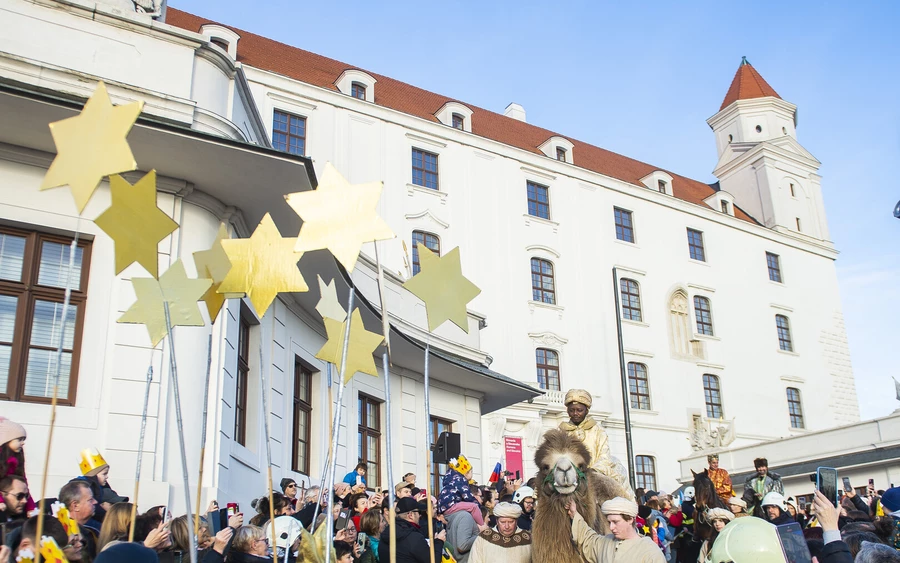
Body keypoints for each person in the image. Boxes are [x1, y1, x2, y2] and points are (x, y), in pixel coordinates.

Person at [559, 389, 633, 498]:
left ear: (586, 411)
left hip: (594, 474)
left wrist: (591, 472)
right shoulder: (561, 431)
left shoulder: (598, 431)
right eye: (572, 410)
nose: (575, 414)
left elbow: (604, 456)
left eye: (579, 410)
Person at [567, 496, 665, 563]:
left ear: (630, 519)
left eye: (615, 522)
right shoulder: (605, 543)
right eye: (609, 522)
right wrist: (574, 514)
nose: (611, 527)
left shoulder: (650, 552)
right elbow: (587, 538)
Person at [378, 497, 445, 563]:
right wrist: (439, 541)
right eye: (419, 512)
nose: (420, 515)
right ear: (410, 515)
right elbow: (433, 560)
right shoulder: (414, 537)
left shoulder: (386, 533)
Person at [467, 502, 531, 563]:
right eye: (503, 522)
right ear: (497, 521)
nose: (507, 526)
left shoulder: (528, 539)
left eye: (511, 522)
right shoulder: (484, 538)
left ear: (516, 521)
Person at [0, 418, 35, 515]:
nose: (22, 443)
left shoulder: (17, 460)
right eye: (19, 439)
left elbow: (24, 486)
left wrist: (30, 507)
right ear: (6, 439)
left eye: (23, 439)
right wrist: (1, 501)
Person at [437, 455, 485, 526]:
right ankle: (482, 526)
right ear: (466, 472)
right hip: (451, 505)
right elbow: (467, 495)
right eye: (471, 472)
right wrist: (477, 504)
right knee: (474, 507)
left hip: (444, 507)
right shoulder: (460, 479)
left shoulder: (450, 479)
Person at [59, 479, 102, 557]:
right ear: (75, 506)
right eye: (90, 500)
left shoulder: (91, 532)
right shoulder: (62, 535)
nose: (95, 502)